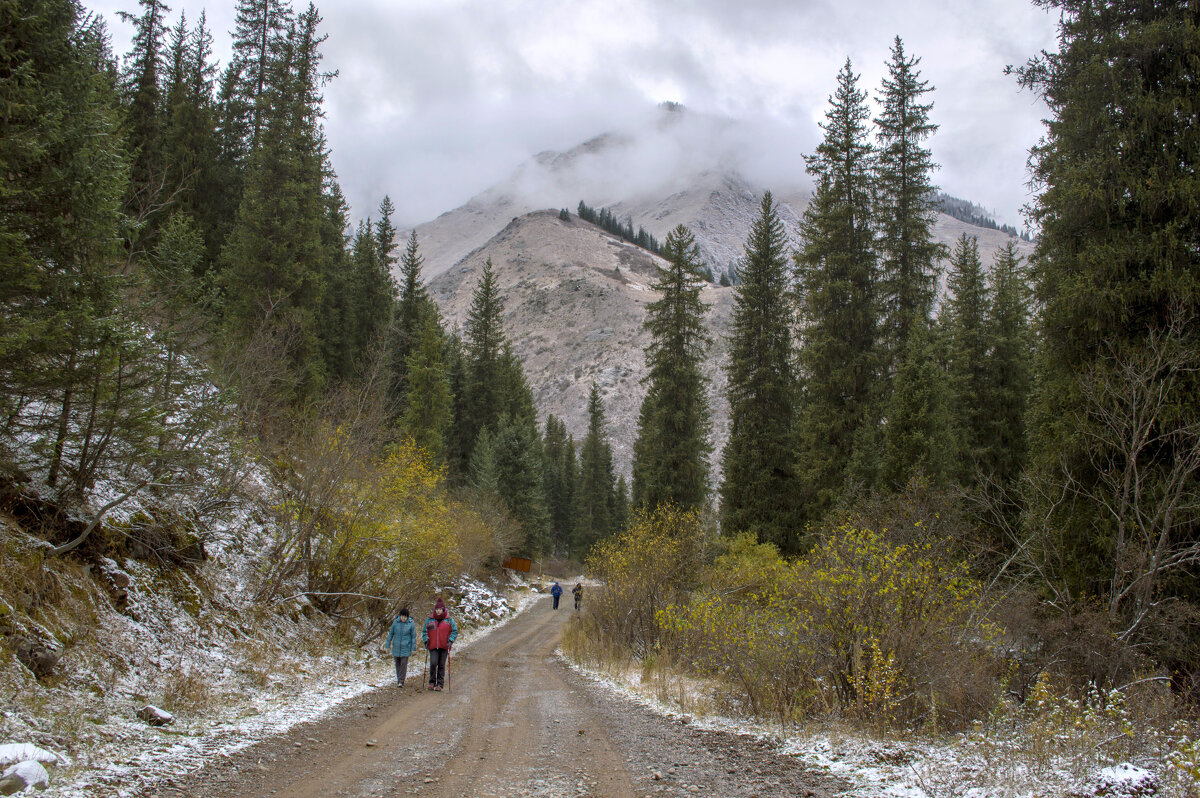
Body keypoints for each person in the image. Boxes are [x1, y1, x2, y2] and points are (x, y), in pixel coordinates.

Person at [422, 598, 457, 691]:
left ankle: (440, 684)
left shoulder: (449, 620)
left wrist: (451, 641)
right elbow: (424, 631)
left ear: (443, 610)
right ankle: (431, 682)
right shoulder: (429, 620)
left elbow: (454, 631)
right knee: (433, 663)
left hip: (444, 645)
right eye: (437, 609)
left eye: (440, 609)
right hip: (433, 645)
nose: (438, 611)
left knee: (441, 665)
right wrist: (426, 641)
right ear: (435, 610)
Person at [383, 607, 416, 687]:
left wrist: (413, 648)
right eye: (402, 616)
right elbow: (391, 634)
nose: (403, 618)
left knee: (403, 664)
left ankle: (401, 680)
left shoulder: (411, 624)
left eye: (405, 617)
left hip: (406, 647)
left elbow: (413, 637)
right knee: (397, 664)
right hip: (396, 647)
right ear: (400, 616)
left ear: (407, 617)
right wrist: (387, 645)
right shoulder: (395, 623)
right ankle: (399, 679)